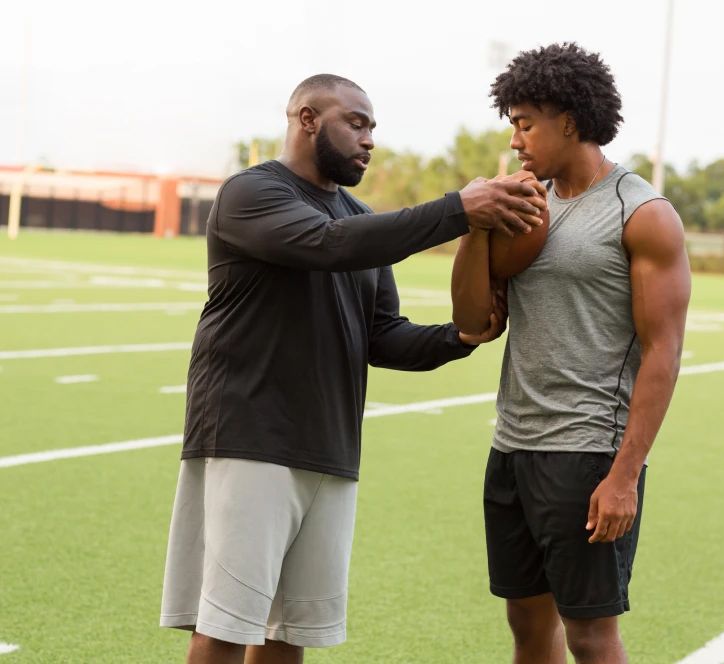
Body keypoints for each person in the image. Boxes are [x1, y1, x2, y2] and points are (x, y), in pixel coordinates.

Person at [159, 73, 547, 664]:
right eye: (357, 123)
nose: (369, 141)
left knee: (289, 633)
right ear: (307, 119)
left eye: (373, 129)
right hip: (250, 438)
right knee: (227, 628)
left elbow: (381, 335)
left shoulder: (358, 217)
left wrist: (459, 337)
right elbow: (328, 244)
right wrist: (457, 210)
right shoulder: (250, 194)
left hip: (330, 448)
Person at [451, 43, 691, 663]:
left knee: (589, 636)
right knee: (529, 630)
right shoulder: (524, 206)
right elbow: (477, 320)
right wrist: (476, 226)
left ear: (571, 122)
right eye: (512, 125)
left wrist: (624, 476)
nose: (515, 141)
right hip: (513, 446)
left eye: (525, 123)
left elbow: (663, 353)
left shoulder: (641, 213)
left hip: (588, 453)